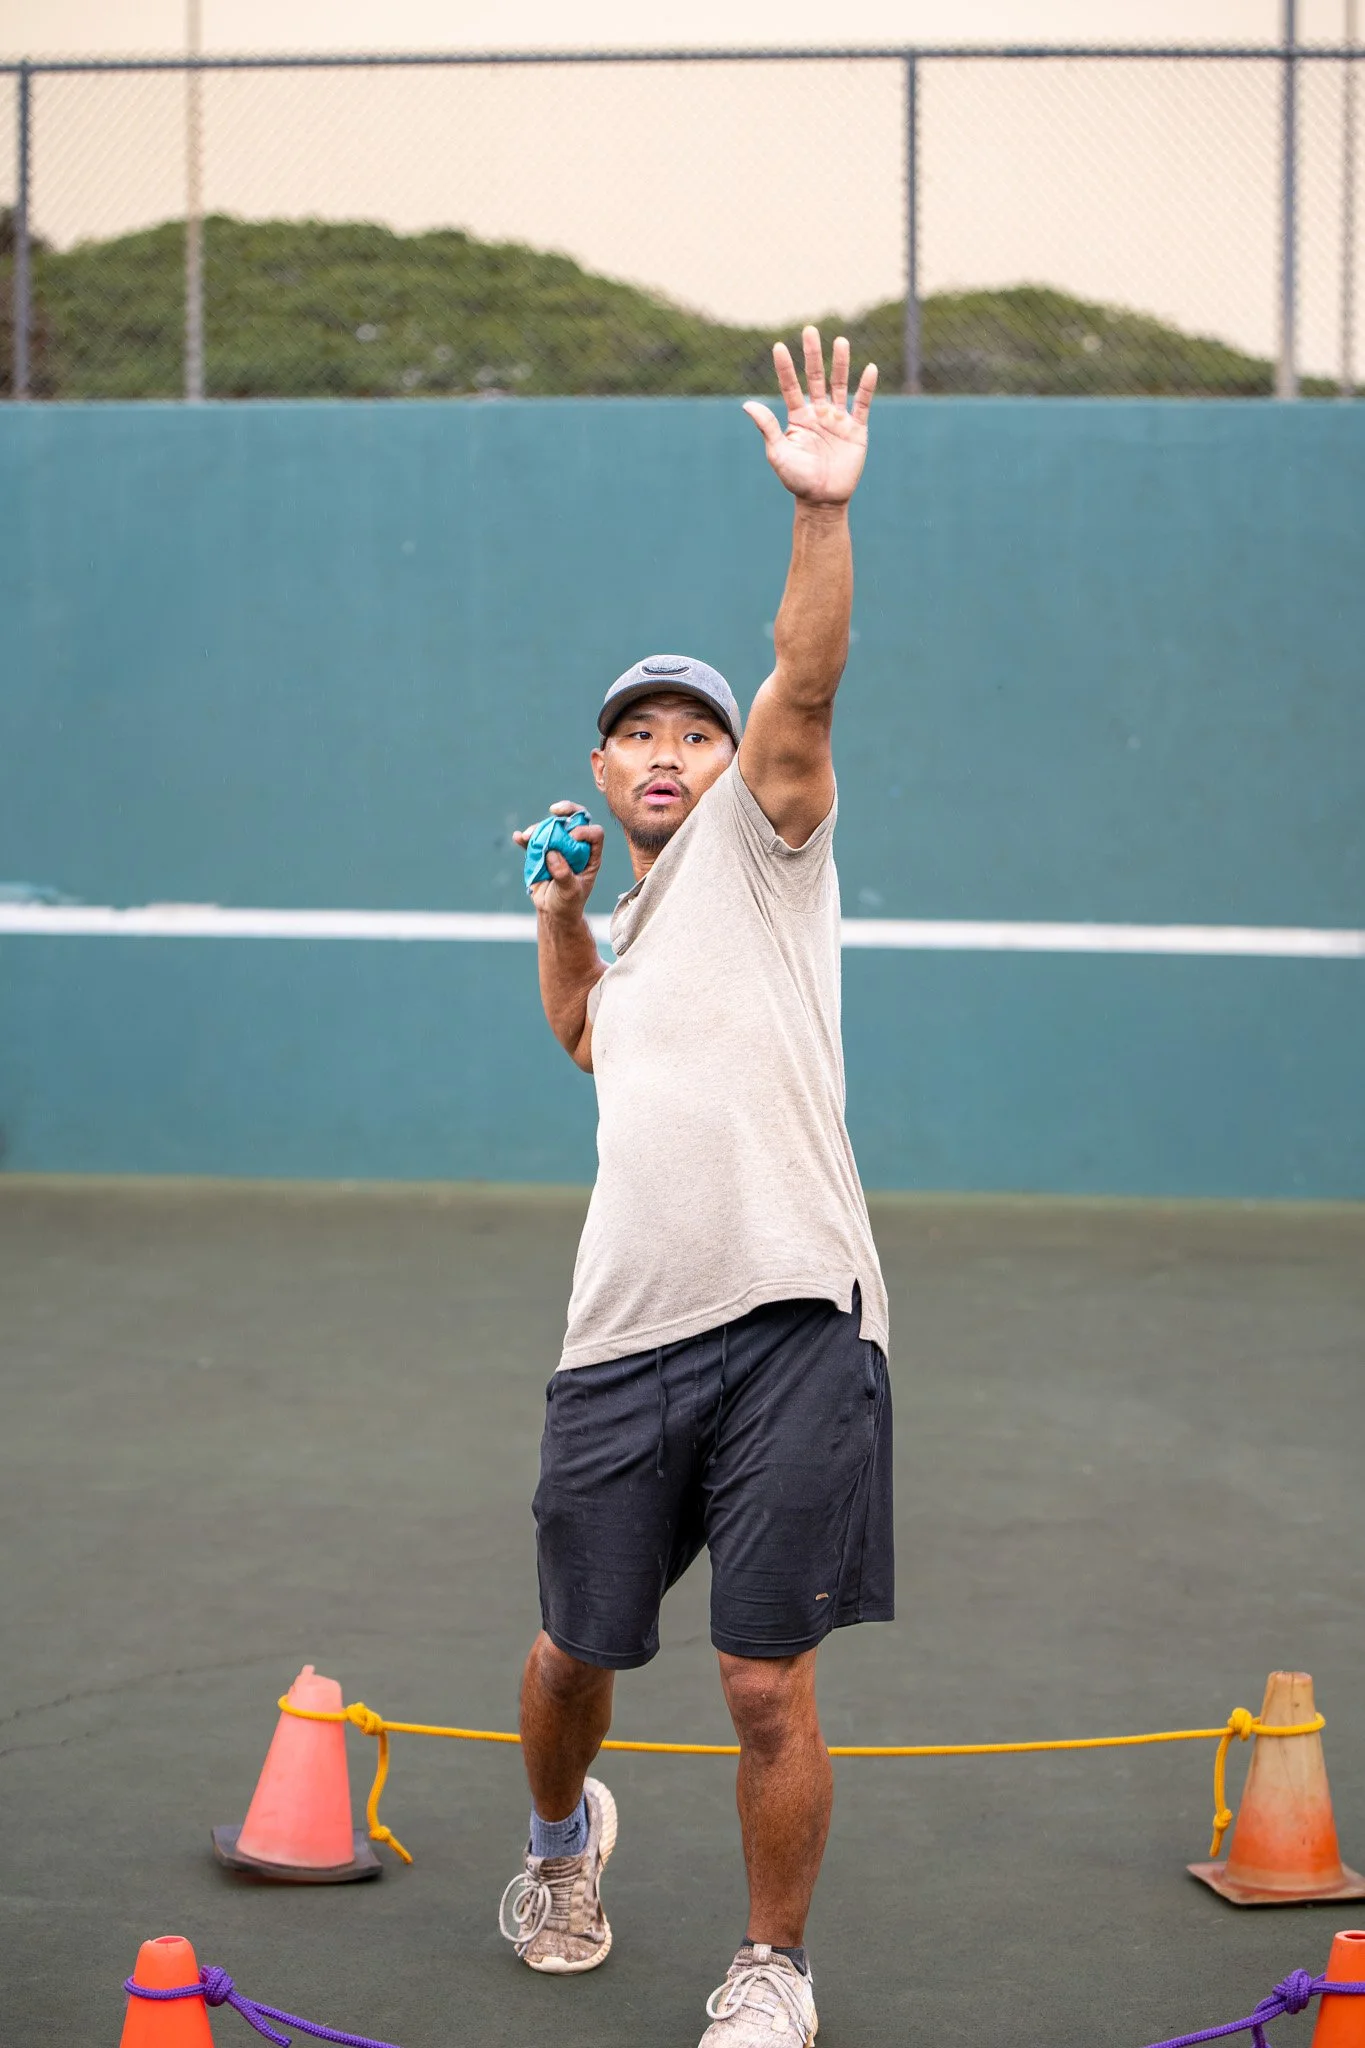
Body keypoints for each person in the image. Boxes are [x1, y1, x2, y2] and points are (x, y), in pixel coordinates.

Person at [502, 327, 891, 2048]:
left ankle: (770, 1967)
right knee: (571, 1661)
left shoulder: (765, 841)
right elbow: (591, 1037)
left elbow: (802, 685)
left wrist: (818, 514)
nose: (668, 753)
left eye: (692, 733)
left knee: (760, 1679)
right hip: (618, 1340)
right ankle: (558, 1843)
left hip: (799, 1318)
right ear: (602, 772)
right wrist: (561, 916)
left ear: (730, 767)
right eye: (636, 737)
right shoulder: (637, 917)